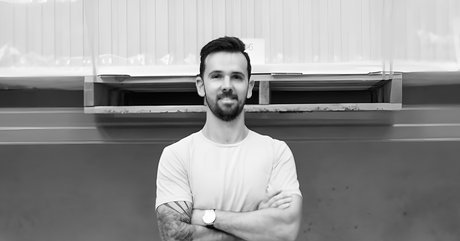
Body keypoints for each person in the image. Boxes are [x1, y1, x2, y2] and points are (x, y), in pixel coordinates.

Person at [155, 36, 302, 241]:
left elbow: (284, 232)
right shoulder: (177, 155)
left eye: (236, 77)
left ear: (249, 87)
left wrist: (204, 216)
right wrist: (254, 223)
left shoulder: (276, 152)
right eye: (216, 76)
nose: (227, 85)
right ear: (200, 85)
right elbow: (174, 235)